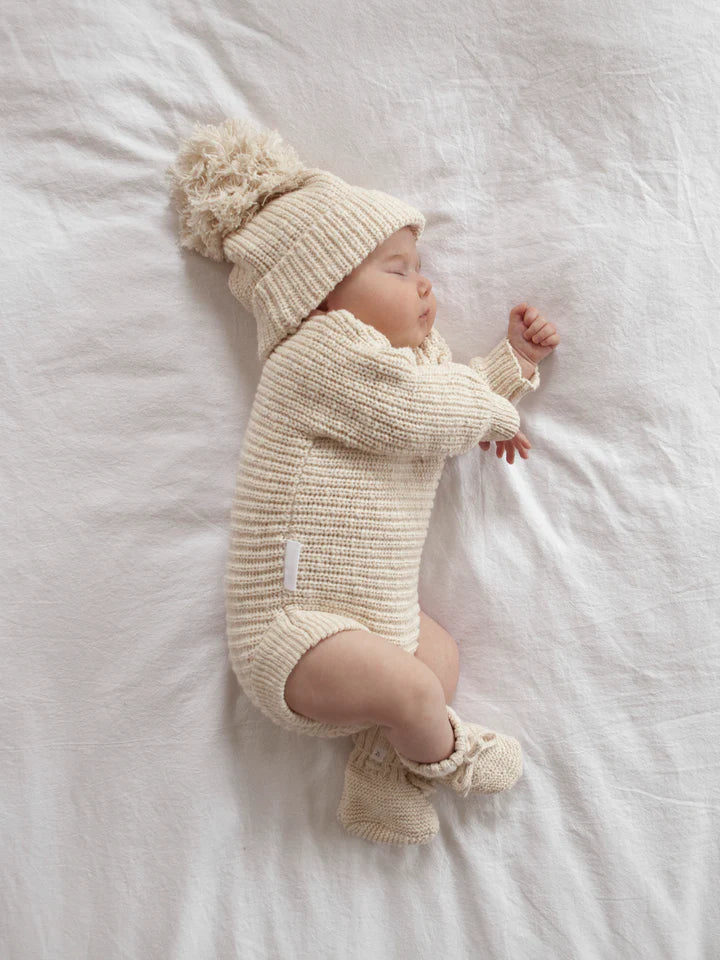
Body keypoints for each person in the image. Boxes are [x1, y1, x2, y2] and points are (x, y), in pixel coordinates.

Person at [166, 117, 560, 847]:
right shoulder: (316, 354)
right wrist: (490, 413)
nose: (425, 285)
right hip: (295, 632)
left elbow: (445, 398)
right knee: (416, 690)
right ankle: (447, 755)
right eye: (398, 269)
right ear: (319, 293)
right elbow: (421, 414)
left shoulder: (399, 371)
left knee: (438, 659)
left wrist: (509, 366)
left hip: (369, 632)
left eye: (419, 268)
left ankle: (382, 767)